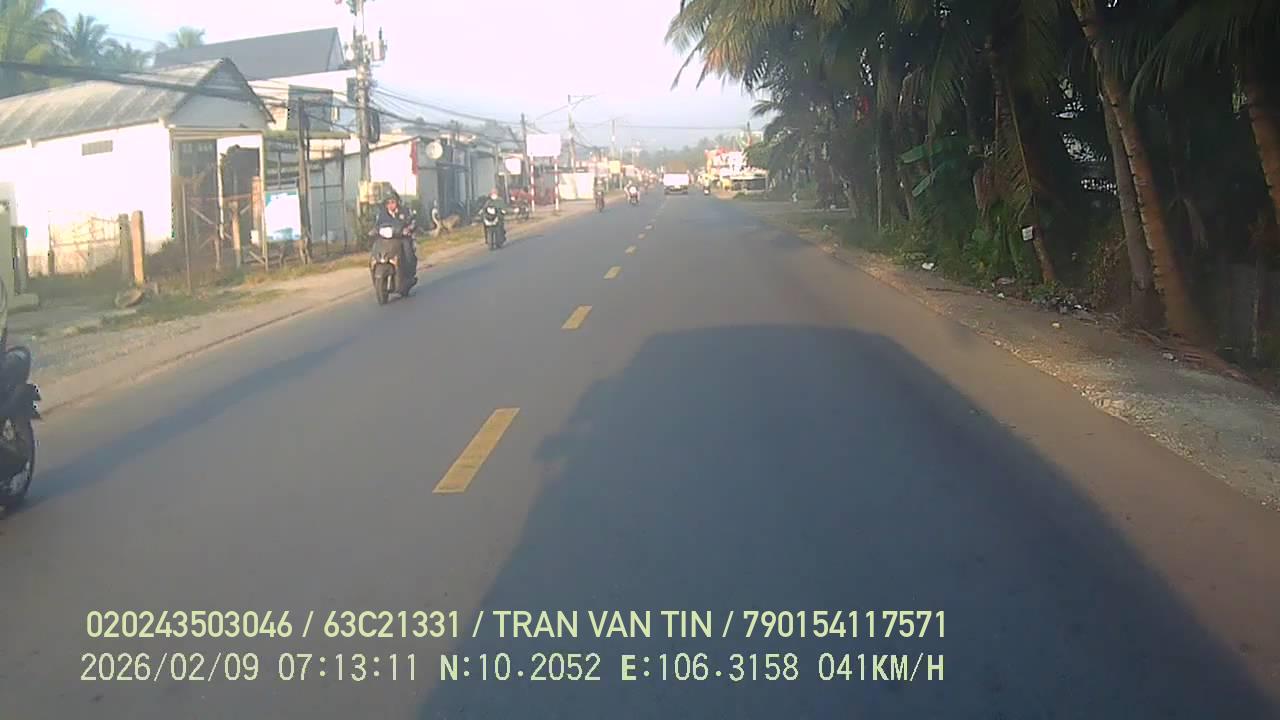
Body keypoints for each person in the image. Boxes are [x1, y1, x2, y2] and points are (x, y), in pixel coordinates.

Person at [375, 191, 417, 279]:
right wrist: (374, 230)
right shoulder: (382, 214)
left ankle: (409, 273)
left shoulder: (404, 211)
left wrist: (409, 229)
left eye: (393, 202)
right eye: (388, 203)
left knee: (407, 250)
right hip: (386, 240)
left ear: (397, 202)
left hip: (402, 238)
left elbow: (413, 221)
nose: (390, 205)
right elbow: (377, 225)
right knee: (376, 248)